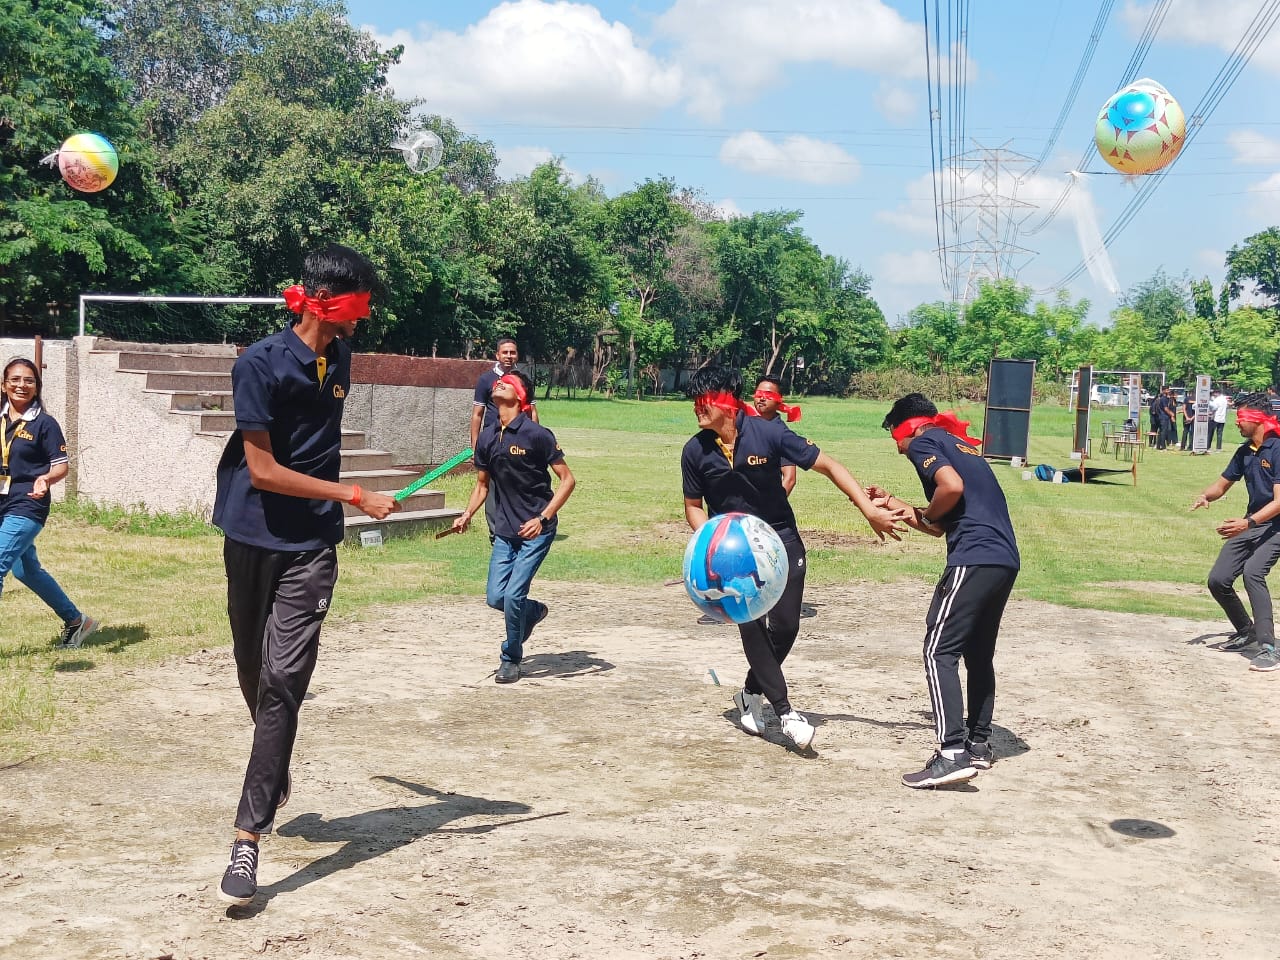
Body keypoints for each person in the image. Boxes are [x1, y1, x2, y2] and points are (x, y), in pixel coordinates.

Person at [212, 244, 400, 906]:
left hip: (312, 546)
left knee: (284, 682)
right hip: (252, 532)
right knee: (253, 672)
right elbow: (262, 472)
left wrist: (338, 505)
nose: (365, 315)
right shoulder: (258, 365)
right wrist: (354, 494)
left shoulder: (340, 355)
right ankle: (274, 760)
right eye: (360, 303)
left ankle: (247, 836)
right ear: (325, 301)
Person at [680, 365, 906, 750]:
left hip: (781, 542)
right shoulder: (694, 451)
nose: (697, 408)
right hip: (734, 559)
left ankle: (750, 693)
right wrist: (711, 545)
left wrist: (868, 510)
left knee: (785, 628)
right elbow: (692, 506)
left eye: (704, 400)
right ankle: (785, 712)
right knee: (751, 624)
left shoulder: (769, 433)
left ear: (727, 402)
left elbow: (829, 466)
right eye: (694, 401)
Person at [871, 393, 1020, 789]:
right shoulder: (958, 445)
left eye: (894, 437)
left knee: (939, 651)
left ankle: (952, 753)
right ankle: (978, 744)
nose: (898, 448)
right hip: (1003, 559)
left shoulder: (924, 442)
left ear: (905, 427)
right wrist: (898, 505)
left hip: (973, 557)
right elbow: (939, 524)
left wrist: (927, 511)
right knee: (978, 653)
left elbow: (950, 488)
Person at [452, 369, 574, 683]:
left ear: (520, 397)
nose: (500, 383)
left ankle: (511, 657)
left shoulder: (537, 435)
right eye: (499, 381)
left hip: (537, 530)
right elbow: (482, 486)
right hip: (505, 531)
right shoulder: (487, 437)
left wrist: (543, 518)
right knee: (496, 597)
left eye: (508, 383)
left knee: (513, 595)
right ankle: (532, 613)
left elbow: (567, 480)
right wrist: (467, 514)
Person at [0, 357, 98, 649]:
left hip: (28, 504)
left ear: (37, 386)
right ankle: (77, 621)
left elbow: (61, 466)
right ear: (4, 385)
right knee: (25, 570)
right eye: (15, 379)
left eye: (29, 380)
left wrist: (45, 479)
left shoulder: (45, 423)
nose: (22, 385)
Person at [1191, 393, 1280, 671]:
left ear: (1257, 419)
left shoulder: (1277, 449)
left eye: (1240, 418)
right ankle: (1246, 631)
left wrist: (1247, 523)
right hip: (1253, 523)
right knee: (1218, 580)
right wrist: (1205, 495)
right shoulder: (1245, 451)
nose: (1236, 423)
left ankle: (1268, 648)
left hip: (1276, 526)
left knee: (1253, 573)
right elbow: (1222, 485)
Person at [751, 377, 818, 619]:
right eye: (758, 393)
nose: (761, 398)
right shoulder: (745, 427)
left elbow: (789, 479)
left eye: (768, 395)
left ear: (779, 402)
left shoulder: (780, 435)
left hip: (770, 517)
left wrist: (768, 507)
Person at [471, 339, 539, 542]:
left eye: (513, 352)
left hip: (518, 440)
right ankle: (496, 534)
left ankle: (520, 528)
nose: (509, 356)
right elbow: (477, 415)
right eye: (505, 352)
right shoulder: (486, 380)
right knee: (491, 487)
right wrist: (475, 446)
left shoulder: (523, 379)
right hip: (493, 441)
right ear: (497, 355)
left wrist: (534, 437)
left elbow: (532, 410)